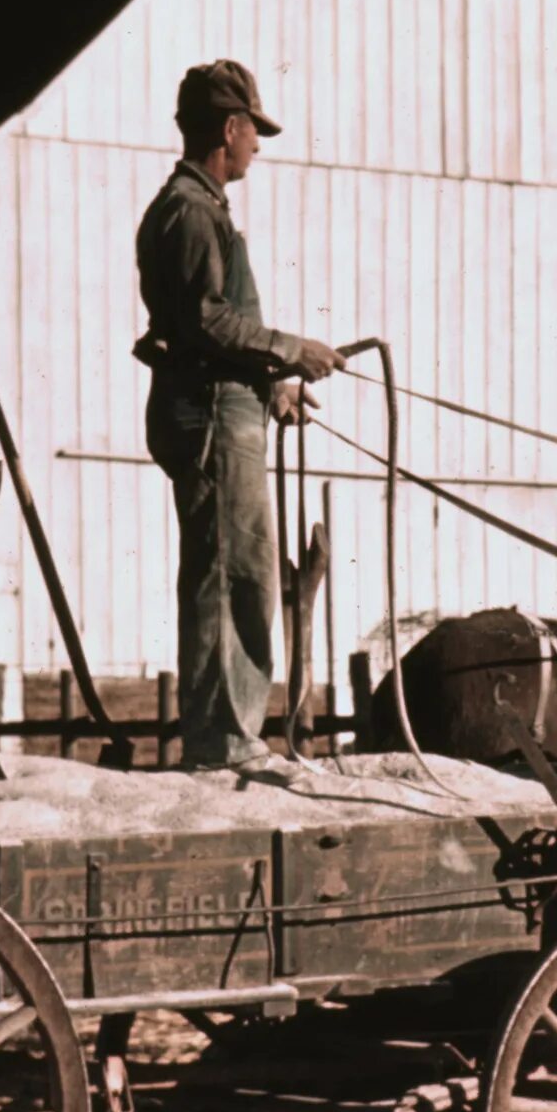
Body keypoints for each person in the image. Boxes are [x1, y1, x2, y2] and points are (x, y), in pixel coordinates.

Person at [133, 60, 342, 770]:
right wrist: (289, 351)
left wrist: (273, 384)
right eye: (254, 130)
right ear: (230, 127)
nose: (257, 145)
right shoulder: (191, 211)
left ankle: (227, 732)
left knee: (236, 569)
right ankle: (224, 737)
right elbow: (205, 320)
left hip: (225, 407)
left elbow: (206, 329)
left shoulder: (198, 208)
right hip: (216, 422)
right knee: (235, 573)